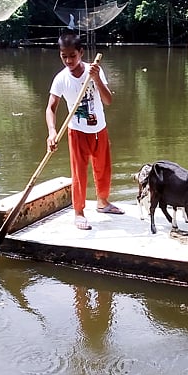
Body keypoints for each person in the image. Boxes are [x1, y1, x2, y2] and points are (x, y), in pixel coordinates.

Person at [46, 32, 124, 230]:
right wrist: (52, 132)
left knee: (103, 168)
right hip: (77, 132)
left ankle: (102, 203)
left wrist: (96, 78)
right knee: (79, 173)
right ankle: (79, 212)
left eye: (72, 55)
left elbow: (108, 101)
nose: (69, 60)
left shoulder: (94, 70)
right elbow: (51, 108)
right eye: (64, 56)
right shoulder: (61, 79)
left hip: (99, 129)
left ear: (80, 52)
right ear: (60, 55)